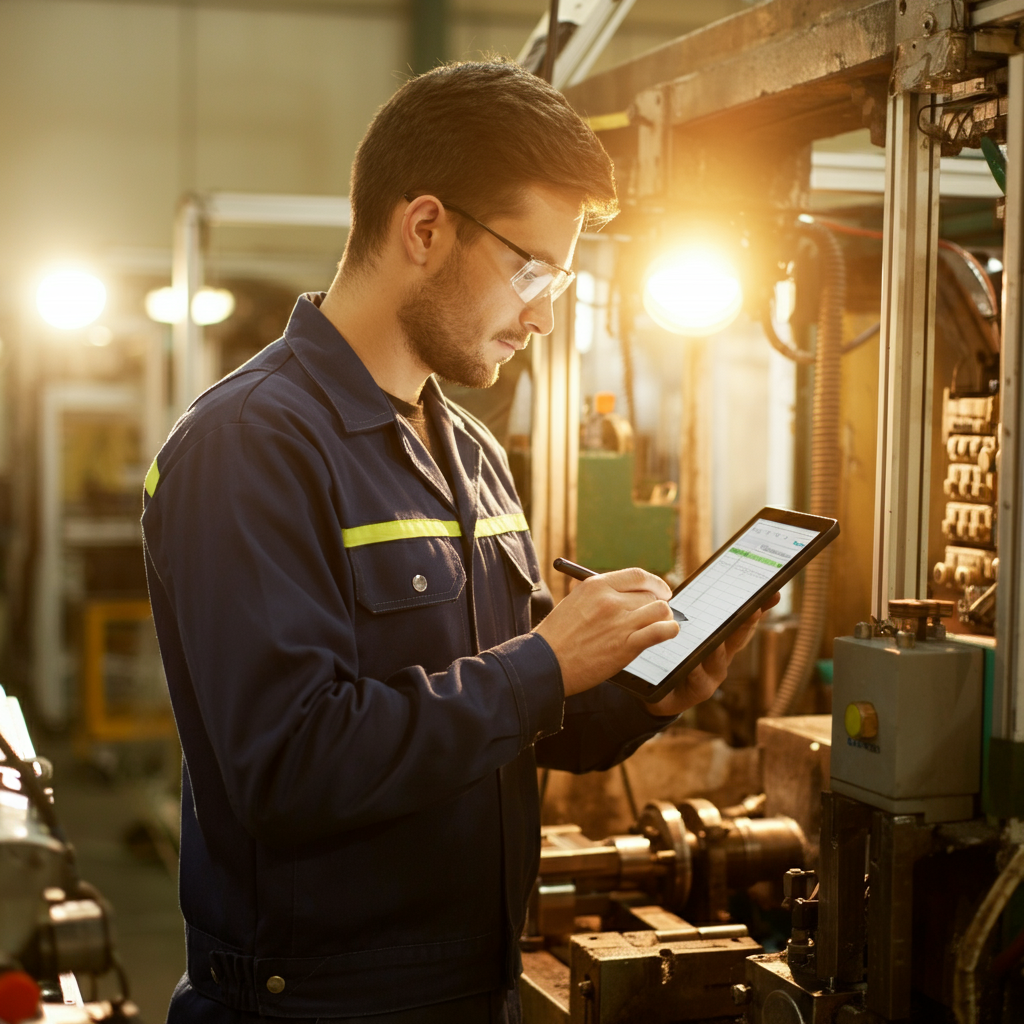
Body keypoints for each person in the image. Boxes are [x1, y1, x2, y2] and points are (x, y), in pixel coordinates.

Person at [142, 59, 773, 1024]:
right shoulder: (251, 444)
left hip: (473, 988)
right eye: (533, 270)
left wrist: (645, 694)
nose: (543, 313)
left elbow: (495, 720)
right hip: (315, 1007)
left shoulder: (469, 446)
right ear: (425, 228)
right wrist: (544, 661)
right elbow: (289, 765)